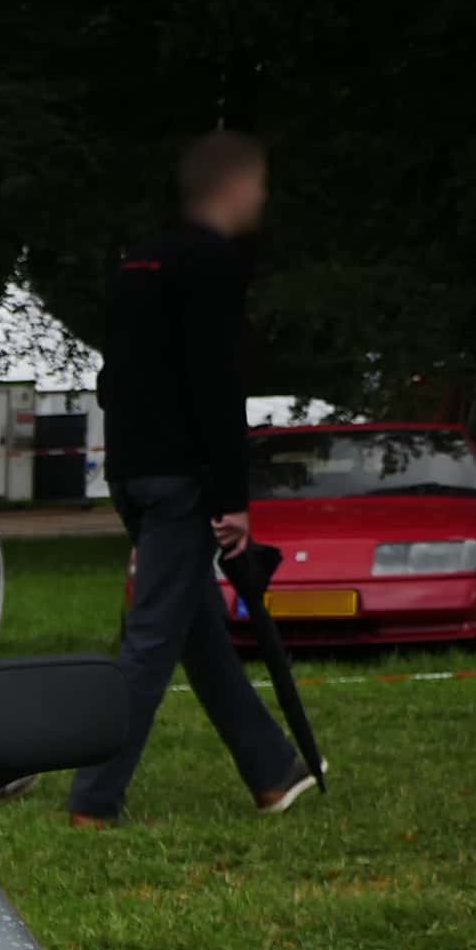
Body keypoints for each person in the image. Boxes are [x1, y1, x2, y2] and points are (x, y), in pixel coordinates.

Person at [69, 130, 316, 826]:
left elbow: (114, 379)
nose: (261, 198)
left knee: (194, 625)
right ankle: (93, 795)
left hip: (134, 470)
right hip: (182, 475)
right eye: (257, 185)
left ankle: (272, 771)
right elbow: (216, 383)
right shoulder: (211, 262)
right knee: (152, 637)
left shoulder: (135, 264)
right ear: (231, 186)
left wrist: (126, 468)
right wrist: (232, 498)